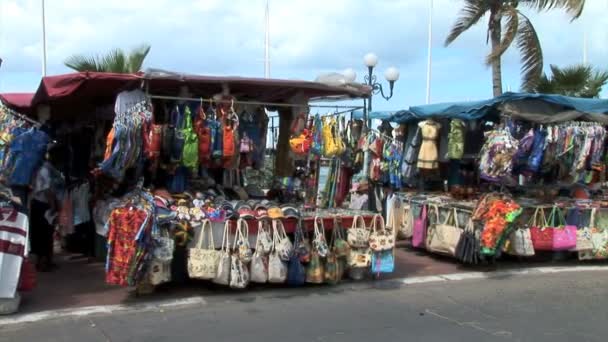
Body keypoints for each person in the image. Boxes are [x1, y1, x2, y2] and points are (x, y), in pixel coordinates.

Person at [30, 146, 64, 271]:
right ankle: (42, 262)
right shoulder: (45, 170)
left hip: (42, 204)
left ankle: (47, 260)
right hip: (42, 205)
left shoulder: (50, 169)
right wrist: (54, 206)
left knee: (46, 233)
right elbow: (48, 190)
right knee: (43, 233)